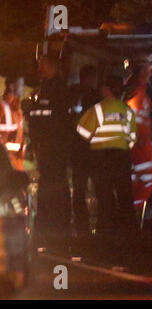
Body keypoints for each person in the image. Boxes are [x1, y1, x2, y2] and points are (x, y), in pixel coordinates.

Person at [77, 76, 138, 241]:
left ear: (107, 90)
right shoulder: (126, 110)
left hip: (102, 158)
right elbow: (132, 138)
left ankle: (106, 231)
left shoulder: (97, 109)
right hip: (122, 157)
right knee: (125, 194)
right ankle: (129, 231)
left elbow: (82, 132)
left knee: (104, 195)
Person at [26, 55, 72, 244]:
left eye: (42, 66)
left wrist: (32, 110)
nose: (39, 69)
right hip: (48, 147)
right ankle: (48, 228)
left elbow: (50, 118)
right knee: (50, 186)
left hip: (53, 147)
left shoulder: (57, 88)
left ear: (51, 67)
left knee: (54, 187)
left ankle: (53, 228)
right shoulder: (47, 88)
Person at [69, 65, 101, 238]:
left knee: (79, 189)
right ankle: (94, 225)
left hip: (78, 149)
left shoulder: (73, 94)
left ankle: (82, 226)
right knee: (95, 188)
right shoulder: (94, 97)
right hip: (91, 151)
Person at [125, 61, 152, 210]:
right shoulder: (135, 95)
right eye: (147, 71)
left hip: (141, 142)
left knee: (135, 176)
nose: (151, 74)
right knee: (150, 176)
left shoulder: (141, 92)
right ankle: (136, 208)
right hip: (139, 143)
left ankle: (131, 207)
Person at [0, 76, 26, 171]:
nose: (23, 87)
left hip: (16, 165)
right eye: (21, 84)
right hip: (4, 165)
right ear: (11, 86)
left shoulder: (18, 111)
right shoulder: (2, 107)